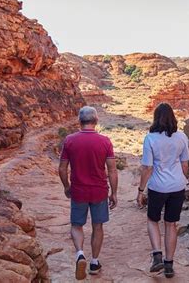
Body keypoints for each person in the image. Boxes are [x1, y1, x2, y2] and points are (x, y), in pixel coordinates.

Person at [59, 106, 118, 280]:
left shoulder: (69, 140)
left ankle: (79, 254)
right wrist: (114, 193)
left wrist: (66, 186)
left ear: (79, 121)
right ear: (96, 121)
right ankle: (94, 262)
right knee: (97, 226)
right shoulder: (105, 141)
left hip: (78, 190)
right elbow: (112, 170)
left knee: (76, 225)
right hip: (99, 191)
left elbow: (62, 168)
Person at [136, 103, 189, 278]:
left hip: (158, 187)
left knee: (153, 220)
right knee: (171, 224)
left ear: (155, 118)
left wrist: (140, 190)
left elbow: (147, 167)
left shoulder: (150, 138)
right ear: (173, 117)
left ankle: (157, 255)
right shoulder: (182, 137)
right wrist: (184, 180)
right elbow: (185, 164)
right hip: (177, 186)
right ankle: (169, 264)